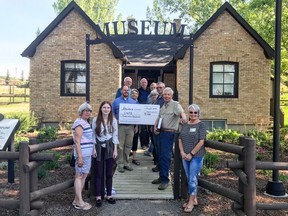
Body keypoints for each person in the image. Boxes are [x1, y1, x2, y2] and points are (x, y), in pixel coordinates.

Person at [152, 87, 187, 190]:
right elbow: (158, 118)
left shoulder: (175, 105)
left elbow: (182, 113)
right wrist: (154, 127)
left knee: (165, 156)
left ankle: (165, 180)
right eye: (165, 95)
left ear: (171, 96)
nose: (166, 96)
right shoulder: (163, 106)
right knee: (160, 156)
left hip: (168, 134)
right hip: (160, 134)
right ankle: (161, 176)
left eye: (168, 94)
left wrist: (184, 118)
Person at [179, 104, 206, 213]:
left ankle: (190, 203)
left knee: (192, 179)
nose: (193, 114)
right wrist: (182, 152)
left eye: (195, 112)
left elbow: (201, 141)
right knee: (190, 177)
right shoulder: (185, 125)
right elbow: (180, 139)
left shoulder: (201, 125)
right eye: (191, 112)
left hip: (197, 156)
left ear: (198, 113)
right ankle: (194, 199)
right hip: (184, 155)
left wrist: (191, 153)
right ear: (188, 113)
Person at [92, 101, 119, 207]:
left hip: (110, 147)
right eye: (104, 107)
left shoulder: (113, 120)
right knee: (98, 172)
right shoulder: (95, 120)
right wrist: (93, 148)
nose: (106, 109)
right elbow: (93, 135)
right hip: (99, 147)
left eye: (108, 107)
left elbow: (115, 135)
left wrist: (115, 150)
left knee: (109, 172)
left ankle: (109, 195)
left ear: (110, 109)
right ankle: (98, 196)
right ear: (101, 109)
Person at [72, 102, 94, 210]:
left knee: (84, 175)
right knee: (79, 176)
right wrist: (80, 157)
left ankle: (77, 200)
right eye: (85, 110)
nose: (87, 112)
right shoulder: (79, 122)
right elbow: (77, 141)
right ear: (81, 112)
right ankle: (79, 202)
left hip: (87, 153)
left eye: (89, 111)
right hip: (82, 154)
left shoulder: (86, 122)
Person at [112, 85, 137, 172]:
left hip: (130, 127)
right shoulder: (116, 101)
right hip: (120, 127)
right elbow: (113, 114)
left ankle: (127, 163)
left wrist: (136, 126)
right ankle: (120, 164)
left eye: (127, 90)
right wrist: (116, 121)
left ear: (129, 91)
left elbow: (137, 115)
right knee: (120, 146)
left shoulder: (133, 102)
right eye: (124, 90)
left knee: (128, 145)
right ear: (121, 91)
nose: (126, 91)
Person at [151, 81, 166, 172]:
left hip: (163, 126)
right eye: (158, 88)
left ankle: (161, 166)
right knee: (156, 145)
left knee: (161, 147)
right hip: (155, 125)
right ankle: (158, 164)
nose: (159, 89)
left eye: (161, 87)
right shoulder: (157, 99)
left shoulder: (165, 99)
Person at [144, 89, 159, 158]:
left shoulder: (159, 104)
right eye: (152, 95)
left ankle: (156, 158)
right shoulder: (150, 104)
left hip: (157, 126)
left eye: (155, 95)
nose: (153, 97)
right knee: (153, 141)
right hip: (150, 125)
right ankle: (154, 157)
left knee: (156, 142)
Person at [137, 78, 150, 150]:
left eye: (145, 82)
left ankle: (147, 143)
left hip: (148, 112)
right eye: (142, 82)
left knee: (148, 129)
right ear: (140, 83)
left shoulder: (149, 91)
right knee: (142, 129)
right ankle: (143, 144)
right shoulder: (138, 91)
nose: (144, 83)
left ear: (147, 83)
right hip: (141, 112)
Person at [130, 89, 141, 165]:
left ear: (138, 95)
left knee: (135, 141)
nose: (134, 94)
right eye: (133, 93)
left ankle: (134, 158)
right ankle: (126, 158)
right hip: (128, 125)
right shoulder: (128, 103)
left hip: (136, 125)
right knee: (127, 142)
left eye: (136, 93)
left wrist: (137, 126)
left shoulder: (138, 103)